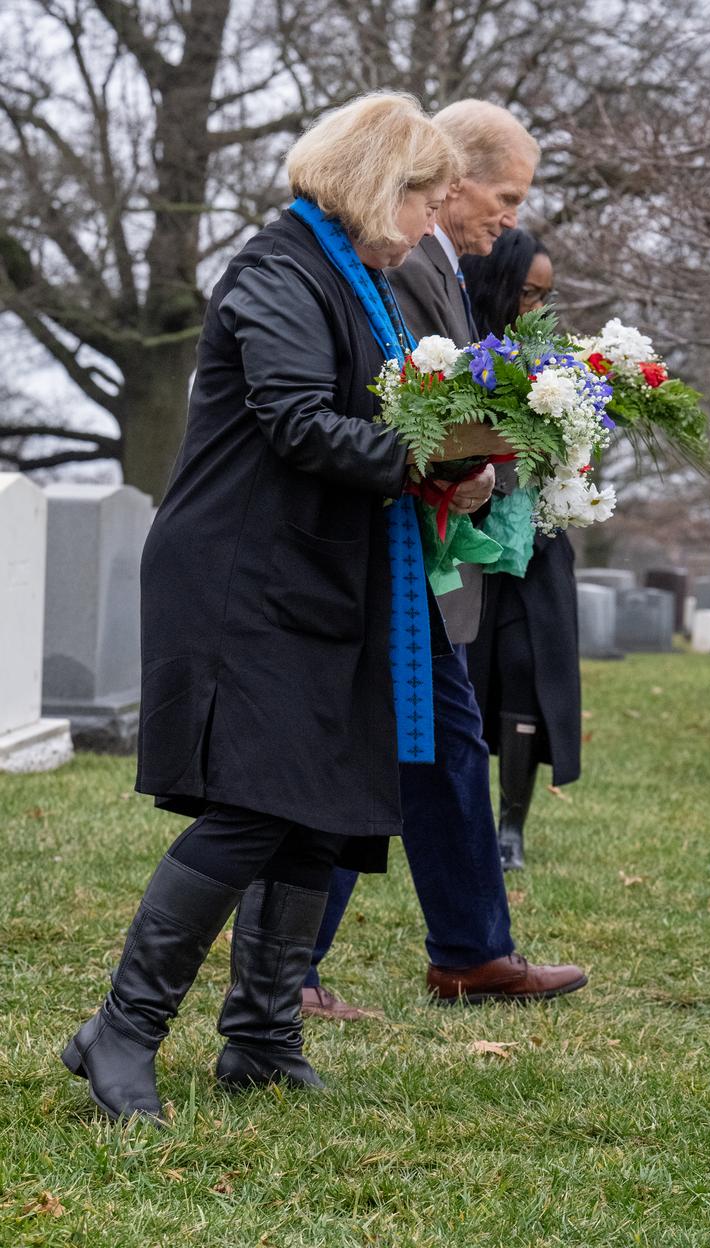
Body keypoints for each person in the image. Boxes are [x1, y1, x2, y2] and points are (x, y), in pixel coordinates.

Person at [59, 94, 480, 1124]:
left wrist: (460, 466)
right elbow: (298, 424)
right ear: (380, 186)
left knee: (313, 805)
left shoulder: (350, 280)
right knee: (252, 804)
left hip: (316, 570)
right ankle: (122, 1028)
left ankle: (258, 1038)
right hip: (243, 575)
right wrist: (442, 455)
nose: (432, 223)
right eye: (425, 200)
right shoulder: (279, 271)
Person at [302, 101, 587, 1018]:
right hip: (388, 544)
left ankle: (469, 948)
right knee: (390, 748)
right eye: (503, 196)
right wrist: (453, 464)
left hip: (421, 538)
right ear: (451, 177)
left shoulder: (445, 263)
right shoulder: (405, 257)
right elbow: (393, 399)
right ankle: (295, 971)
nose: (509, 217)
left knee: (439, 746)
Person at [462, 230, 581, 870]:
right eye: (526, 293)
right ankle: (465, 818)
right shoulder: (461, 344)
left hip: (538, 540)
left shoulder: (552, 359)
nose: (535, 308)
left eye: (545, 296)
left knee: (526, 670)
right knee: (469, 676)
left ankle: (512, 825)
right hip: (473, 538)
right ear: (497, 284)